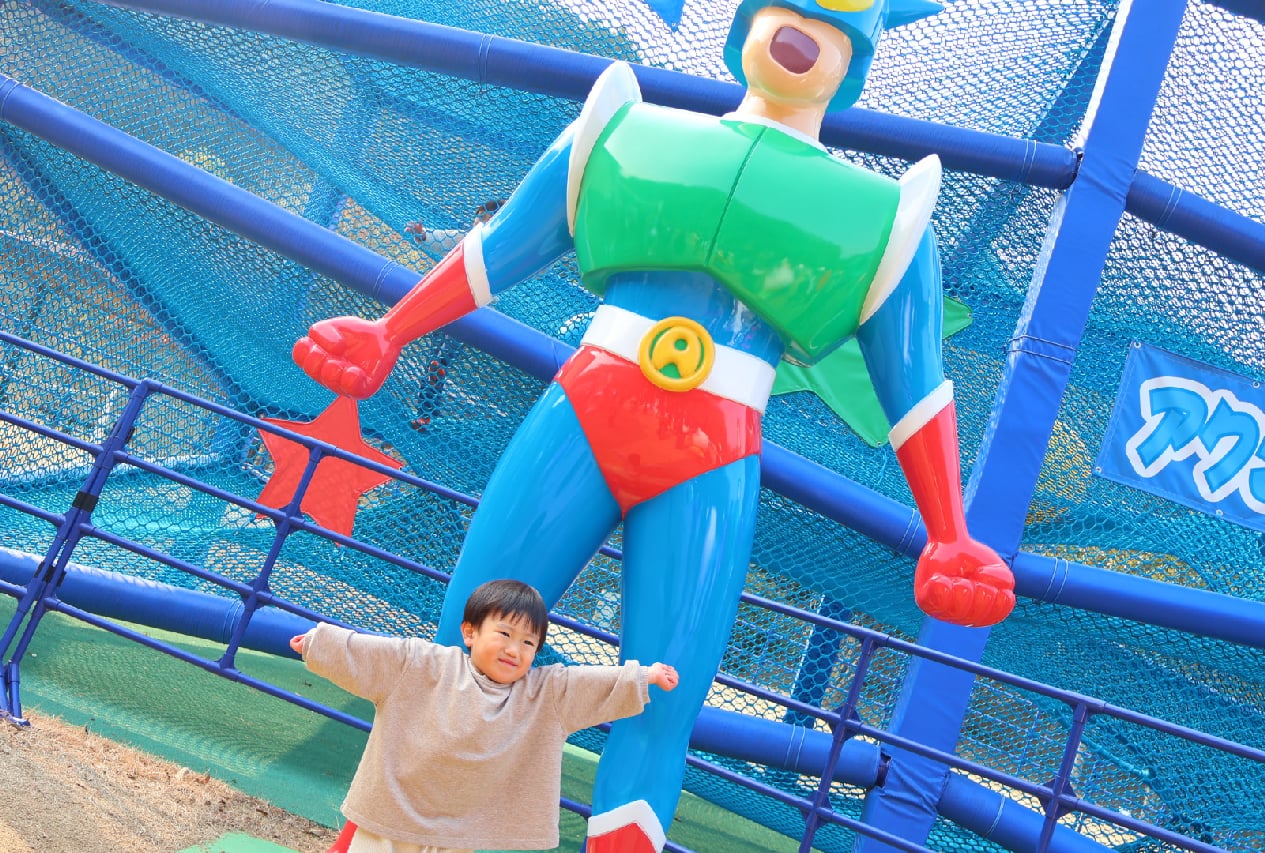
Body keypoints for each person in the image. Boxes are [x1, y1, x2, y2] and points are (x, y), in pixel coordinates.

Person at [293, 2, 1016, 850]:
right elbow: (499, 247)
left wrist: (950, 531)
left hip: (708, 455)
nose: (801, 30)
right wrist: (391, 330)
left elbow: (917, 387)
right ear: (743, 25)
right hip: (586, 413)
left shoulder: (882, 218)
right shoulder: (624, 129)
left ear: (854, 61)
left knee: (660, 697)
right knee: (466, 648)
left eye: (833, 22)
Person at [290, 579, 679, 853]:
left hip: (459, 831)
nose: (515, 649)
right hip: (392, 814)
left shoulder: (543, 695)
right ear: (470, 633)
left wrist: (643, 677)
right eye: (505, 634)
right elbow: (376, 655)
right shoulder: (425, 666)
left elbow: (586, 684)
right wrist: (320, 644)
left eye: (528, 642)